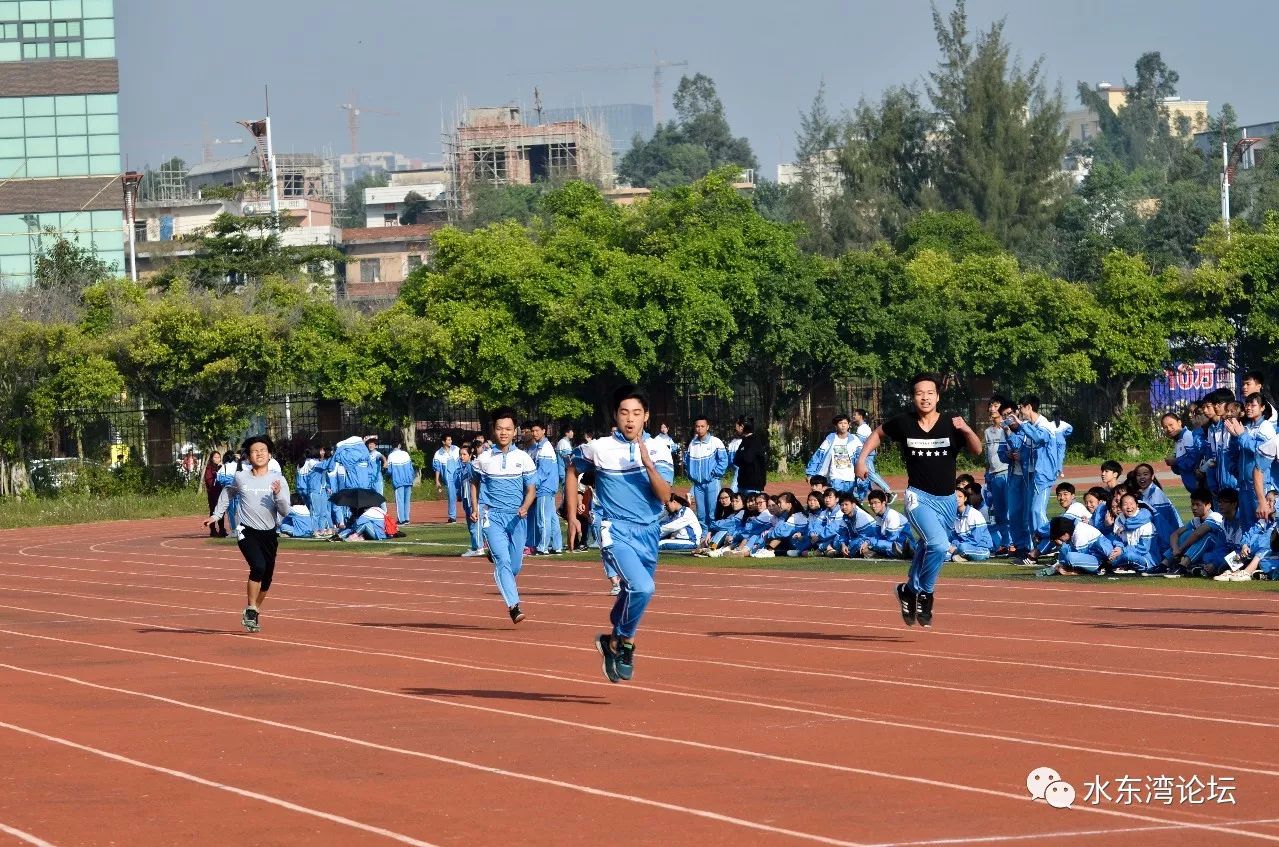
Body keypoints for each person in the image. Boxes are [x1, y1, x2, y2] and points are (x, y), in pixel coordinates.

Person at [566, 385, 674, 684]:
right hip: (615, 529)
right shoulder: (600, 447)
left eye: (636, 413)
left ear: (646, 417)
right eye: (624, 413)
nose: (630, 419)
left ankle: (611, 640)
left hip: (650, 531)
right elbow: (572, 467)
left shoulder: (659, 449)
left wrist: (648, 464)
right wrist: (573, 515)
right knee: (643, 588)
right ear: (616, 415)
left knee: (633, 591)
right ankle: (623, 642)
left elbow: (666, 495)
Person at [855, 373, 982, 627]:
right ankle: (926, 592)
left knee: (925, 547)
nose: (924, 397)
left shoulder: (951, 424)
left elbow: (977, 450)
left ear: (937, 396)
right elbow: (878, 434)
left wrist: (967, 429)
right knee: (937, 545)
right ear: (913, 397)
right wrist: (862, 459)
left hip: (946, 500)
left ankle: (908, 590)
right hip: (917, 497)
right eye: (919, 393)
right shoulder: (904, 423)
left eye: (929, 393)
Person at [204, 436, 291, 633]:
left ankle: (253, 611)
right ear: (248, 456)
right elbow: (227, 493)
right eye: (254, 451)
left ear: (269, 455)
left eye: (263, 450)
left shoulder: (278, 479)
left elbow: (285, 511)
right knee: (258, 566)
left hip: (269, 533)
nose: (259, 453)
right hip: (246, 530)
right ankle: (251, 607)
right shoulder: (241, 477)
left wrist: (278, 494)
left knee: (267, 579)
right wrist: (216, 514)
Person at [470, 409, 538, 624]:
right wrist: (475, 507)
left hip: (517, 517)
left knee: (515, 565)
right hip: (493, 516)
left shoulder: (523, 458)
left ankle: (500, 565)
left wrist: (525, 506)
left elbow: (531, 489)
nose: (503, 433)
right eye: (499, 428)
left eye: (508, 429)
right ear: (493, 430)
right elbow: (473, 482)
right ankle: (514, 606)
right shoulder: (484, 458)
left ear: (514, 431)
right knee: (503, 561)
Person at [806, 414, 869, 500]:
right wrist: (810, 473)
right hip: (835, 477)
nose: (843, 425)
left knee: (847, 501)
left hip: (850, 477)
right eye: (840, 423)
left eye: (845, 423)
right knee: (836, 500)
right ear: (835, 425)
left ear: (849, 425)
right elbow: (818, 456)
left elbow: (862, 458)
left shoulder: (855, 440)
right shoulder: (830, 439)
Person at [685, 416, 729, 526]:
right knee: (701, 513)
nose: (699, 429)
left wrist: (714, 474)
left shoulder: (715, 442)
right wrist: (691, 475)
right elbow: (687, 461)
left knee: (713, 511)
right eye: (697, 426)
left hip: (712, 482)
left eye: (702, 426)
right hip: (698, 485)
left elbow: (724, 460)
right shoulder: (692, 444)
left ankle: (713, 534)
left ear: (708, 427)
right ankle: (703, 535)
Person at [528, 422, 564, 555]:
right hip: (548, 487)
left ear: (544, 431)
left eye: (537, 430)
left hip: (544, 488)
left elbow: (544, 471)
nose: (534, 433)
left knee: (543, 519)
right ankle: (557, 546)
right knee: (552, 518)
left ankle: (543, 547)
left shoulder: (545, 448)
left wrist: (532, 484)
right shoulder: (541, 447)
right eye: (533, 431)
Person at [982, 397, 1010, 553]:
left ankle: (1014, 543)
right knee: (999, 512)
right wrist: (987, 472)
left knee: (1009, 510)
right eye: (990, 406)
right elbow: (987, 454)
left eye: (995, 406)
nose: (992, 409)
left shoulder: (1007, 428)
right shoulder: (987, 431)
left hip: (1005, 472)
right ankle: (1005, 543)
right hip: (993, 475)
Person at [852, 408, 893, 496]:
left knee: (870, 473)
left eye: (855, 414)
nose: (853, 416)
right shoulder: (861, 428)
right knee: (862, 475)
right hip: (865, 455)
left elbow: (863, 443)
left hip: (867, 455)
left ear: (860, 416)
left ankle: (888, 491)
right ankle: (861, 496)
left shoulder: (863, 428)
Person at [457, 444, 486, 558]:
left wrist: (475, 501)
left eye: (464, 454)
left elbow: (475, 484)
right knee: (470, 524)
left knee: (475, 523)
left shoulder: (471, 467)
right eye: (460, 454)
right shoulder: (463, 468)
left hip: (472, 500)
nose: (461, 457)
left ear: (470, 455)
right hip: (466, 499)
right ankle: (475, 546)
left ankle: (479, 547)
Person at [1161, 411, 1202, 494]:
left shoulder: (1187, 436)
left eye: (1171, 425)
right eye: (1165, 427)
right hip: (1195, 491)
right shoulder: (1178, 440)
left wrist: (1175, 461)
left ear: (1179, 422)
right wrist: (1173, 463)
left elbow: (1194, 460)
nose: (1168, 429)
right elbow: (1179, 471)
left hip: (1200, 489)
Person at [732, 416, 768, 494]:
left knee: (752, 505)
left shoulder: (754, 440)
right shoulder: (744, 440)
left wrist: (741, 455)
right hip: (742, 484)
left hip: (753, 486)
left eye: (737, 427)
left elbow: (748, 458)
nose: (736, 429)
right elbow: (736, 460)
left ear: (742, 426)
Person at [432, 435, 462, 523]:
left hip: (459, 475)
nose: (450, 441)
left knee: (464, 495)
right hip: (449, 477)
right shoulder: (438, 453)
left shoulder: (456, 449)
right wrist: (437, 480)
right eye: (448, 440)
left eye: (451, 439)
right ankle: (452, 516)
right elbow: (437, 468)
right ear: (443, 442)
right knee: (451, 496)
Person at [387, 442, 416, 525]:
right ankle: (407, 519)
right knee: (407, 500)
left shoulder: (391, 456)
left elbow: (389, 471)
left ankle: (401, 520)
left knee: (399, 501)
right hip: (408, 480)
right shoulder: (406, 454)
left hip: (398, 481)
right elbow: (411, 468)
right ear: (399, 445)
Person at [202, 450, 227, 538]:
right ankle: (213, 530)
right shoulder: (209, 468)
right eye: (215, 457)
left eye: (218, 457)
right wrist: (216, 478)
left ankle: (222, 529)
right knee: (213, 511)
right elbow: (209, 481)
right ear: (211, 458)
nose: (217, 459)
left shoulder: (221, 467)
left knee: (221, 511)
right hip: (213, 493)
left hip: (221, 492)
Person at [726, 420, 744, 492]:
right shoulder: (733, 442)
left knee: (736, 485)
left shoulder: (744, 441)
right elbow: (729, 458)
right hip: (736, 467)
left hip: (739, 468)